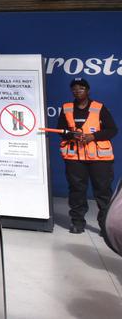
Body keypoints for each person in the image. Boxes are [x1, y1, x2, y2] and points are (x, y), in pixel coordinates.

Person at [57, 77, 117, 235]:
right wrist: (71, 135)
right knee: (76, 190)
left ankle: (105, 226)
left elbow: (112, 130)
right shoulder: (67, 108)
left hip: (99, 159)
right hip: (75, 158)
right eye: (74, 88)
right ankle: (77, 223)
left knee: (103, 192)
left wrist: (93, 137)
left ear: (88, 91)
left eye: (81, 88)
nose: (77, 90)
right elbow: (61, 131)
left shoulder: (99, 107)